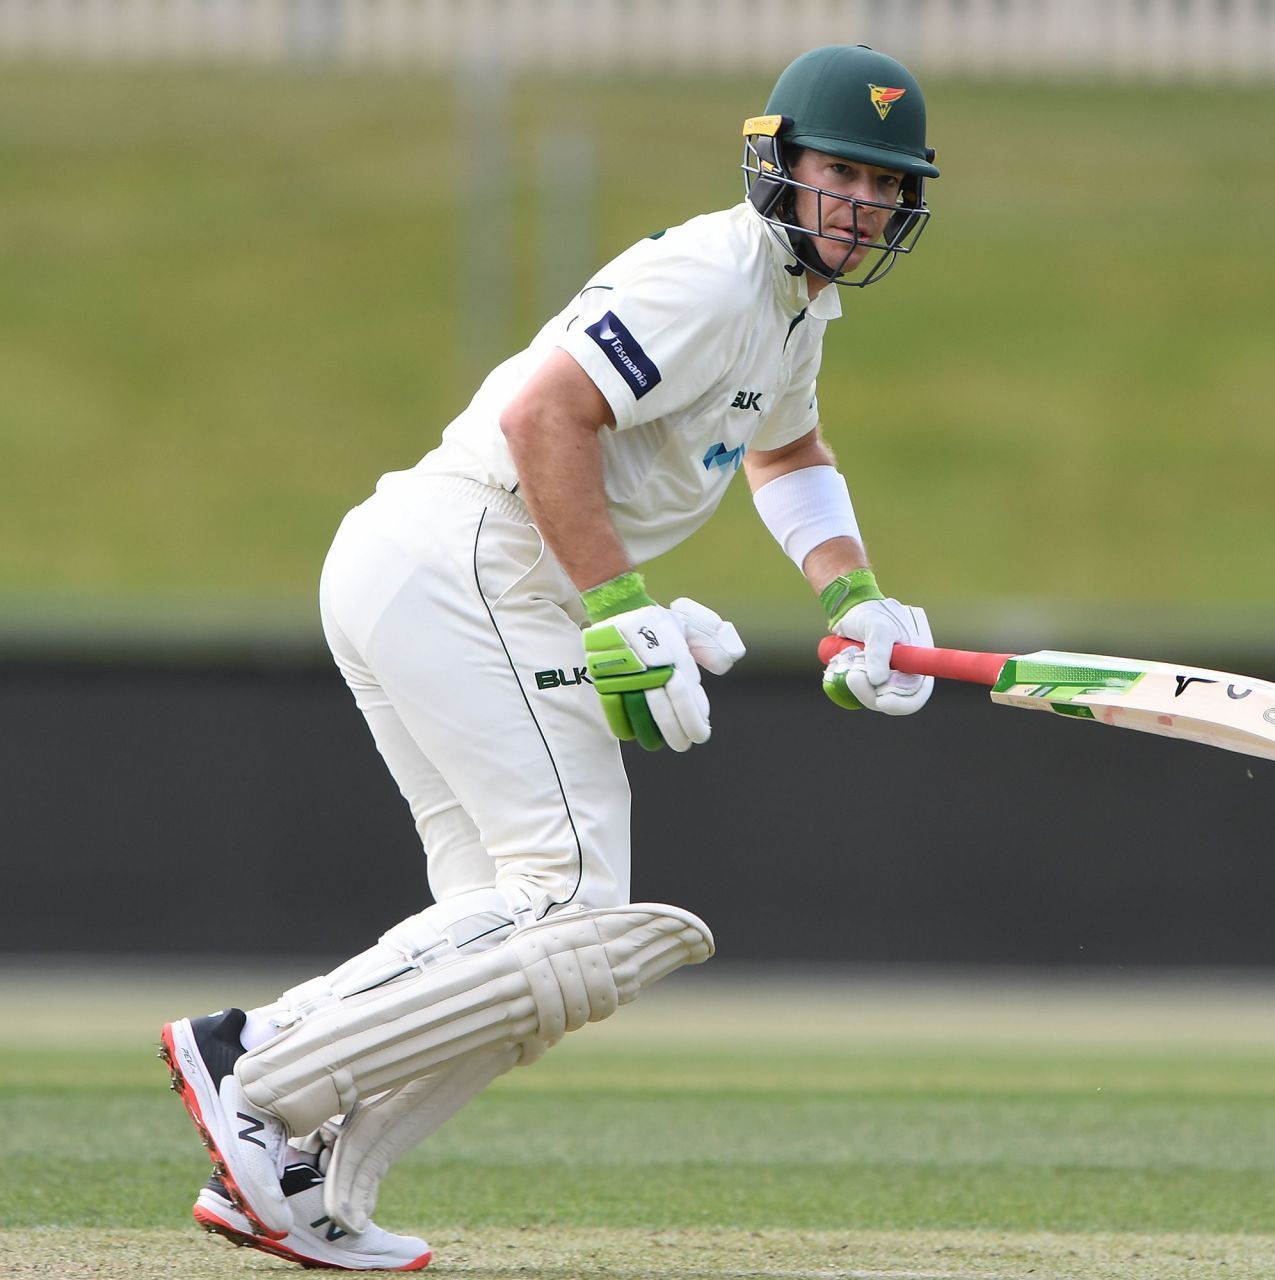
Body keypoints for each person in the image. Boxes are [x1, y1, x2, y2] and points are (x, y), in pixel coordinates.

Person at [159, 43, 940, 1271]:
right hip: (466, 557)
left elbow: (791, 455)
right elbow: (541, 414)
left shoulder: (793, 313)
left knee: (516, 939)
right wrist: (621, 607)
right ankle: (251, 1054)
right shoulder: (713, 275)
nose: (862, 203)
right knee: (574, 907)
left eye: (886, 184)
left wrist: (858, 596)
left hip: (443, 569)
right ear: (778, 165)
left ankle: (310, 1179)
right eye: (841, 170)